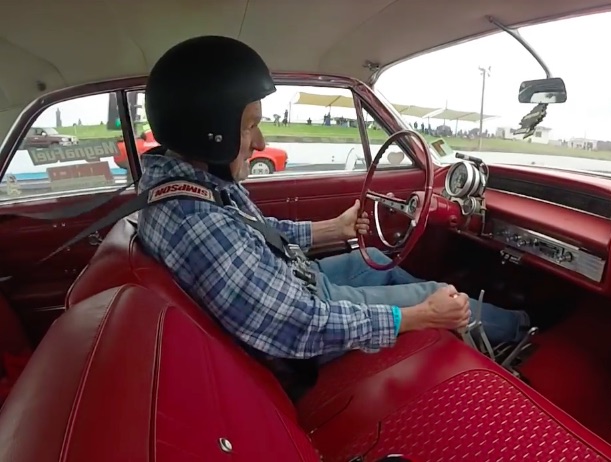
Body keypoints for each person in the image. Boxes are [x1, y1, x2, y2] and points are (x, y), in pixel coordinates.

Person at [136, 35, 532, 364]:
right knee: (433, 293)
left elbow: (258, 234)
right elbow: (299, 325)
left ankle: (480, 320)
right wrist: (418, 316)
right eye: (249, 127)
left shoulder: (191, 186)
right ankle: (528, 333)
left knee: (378, 263)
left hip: (296, 284)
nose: (260, 143)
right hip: (304, 325)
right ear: (211, 132)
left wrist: (333, 229)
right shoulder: (199, 223)